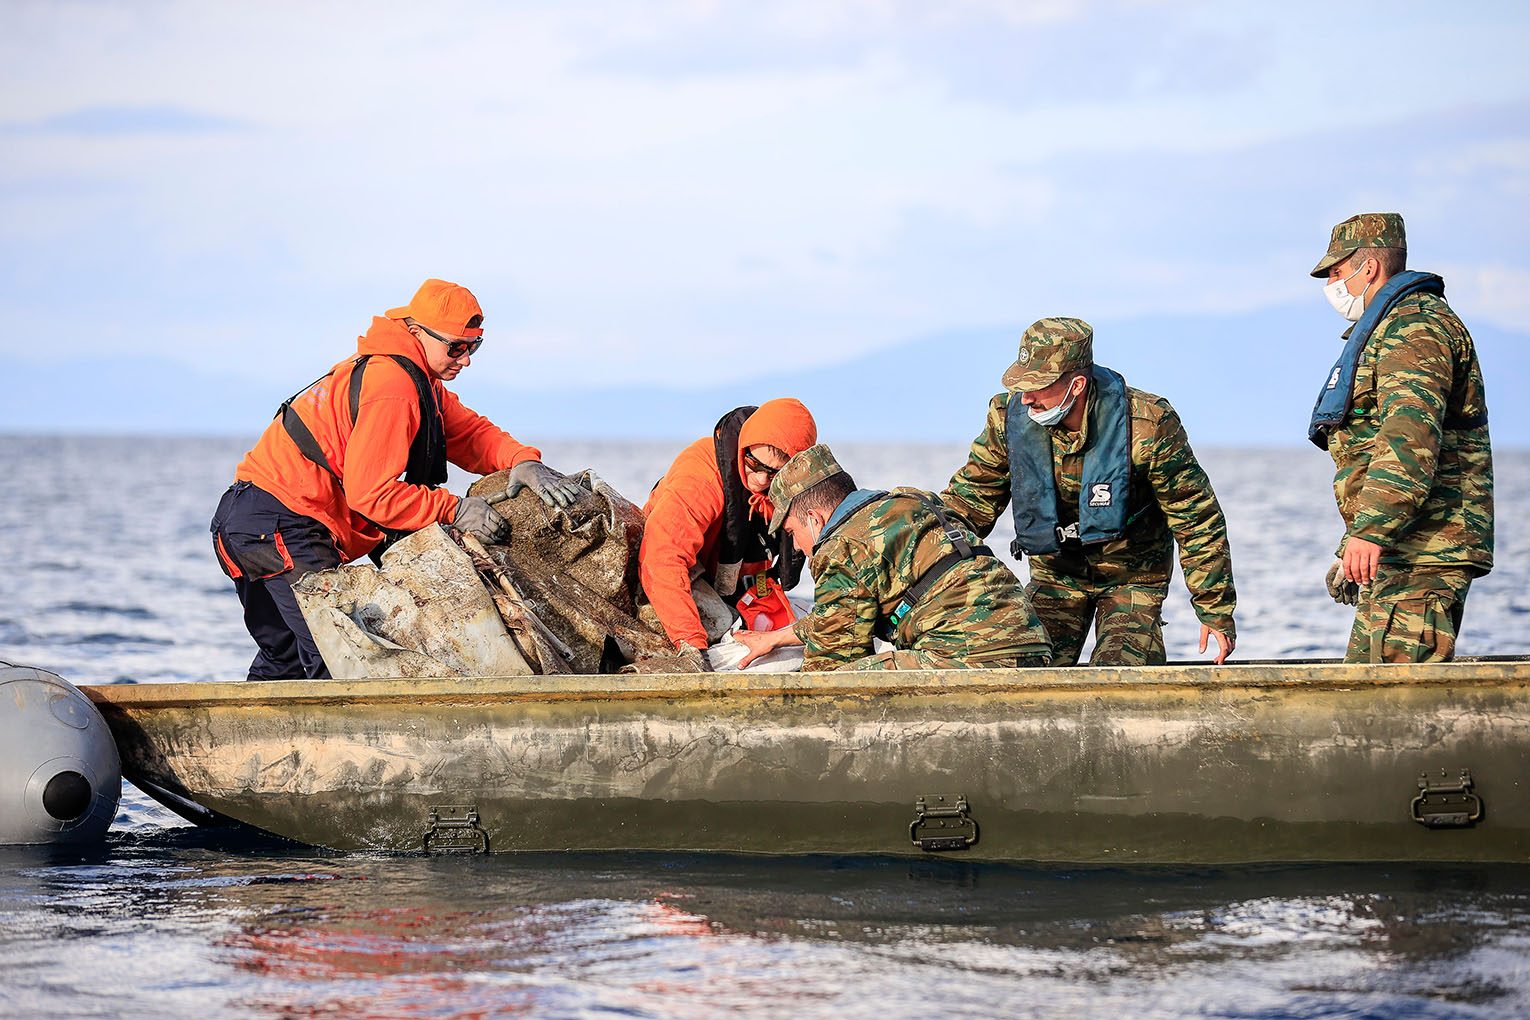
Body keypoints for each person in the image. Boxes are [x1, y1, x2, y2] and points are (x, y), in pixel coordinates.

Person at [211, 278, 586, 681]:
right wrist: (455, 509)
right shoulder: (393, 385)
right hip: (281, 523)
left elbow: (469, 434)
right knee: (342, 657)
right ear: (415, 332)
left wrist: (521, 461)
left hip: (248, 521)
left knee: (286, 658)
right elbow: (371, 494)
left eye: (473, 347)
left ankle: (248, 742)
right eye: (455, 347)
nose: (465, 359)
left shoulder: (415, 379)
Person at [940, 317, 1236, 666]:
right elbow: (970, 499)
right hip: (1055, 576)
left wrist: (1214, 608)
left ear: (1077, 384)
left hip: (1133, 578)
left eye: (1039, 385)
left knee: (1121, 673)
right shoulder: (1007, 419)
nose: (1027, 398)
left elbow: (1196, 517)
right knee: (1022, 669)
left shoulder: (1148, 425)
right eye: (1022, 385)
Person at [1308, 212, 1493, 663]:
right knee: (1365, 693)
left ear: (1368, 267)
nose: (1332, 283)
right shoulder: (1394, 325)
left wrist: (1370, 531)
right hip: (1403, 548)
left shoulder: (1415, 329)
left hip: (1426, 550)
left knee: (1392, 707)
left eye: (1336, 271)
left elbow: (1408, 439)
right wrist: (1356, 544)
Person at [733, 444, 1052, 671]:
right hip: (1033, 646)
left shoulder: (839, 548)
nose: (800, 548)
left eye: (791, 534)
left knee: (840, 683)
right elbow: (841, 615)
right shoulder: (912, 501)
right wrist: (778, 638)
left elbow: (834, 659)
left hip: (968, 658)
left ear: (815, 520)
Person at [639, 399, 817, 654]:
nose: (762, 481)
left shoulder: (797, 487)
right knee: (721, 623)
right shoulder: (701, 476)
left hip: (743, 588)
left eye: (775, 474)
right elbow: (662, 558)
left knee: (797, 635)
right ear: (743, 447)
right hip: (674, 577)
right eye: (754, 465)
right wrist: (691, 647)